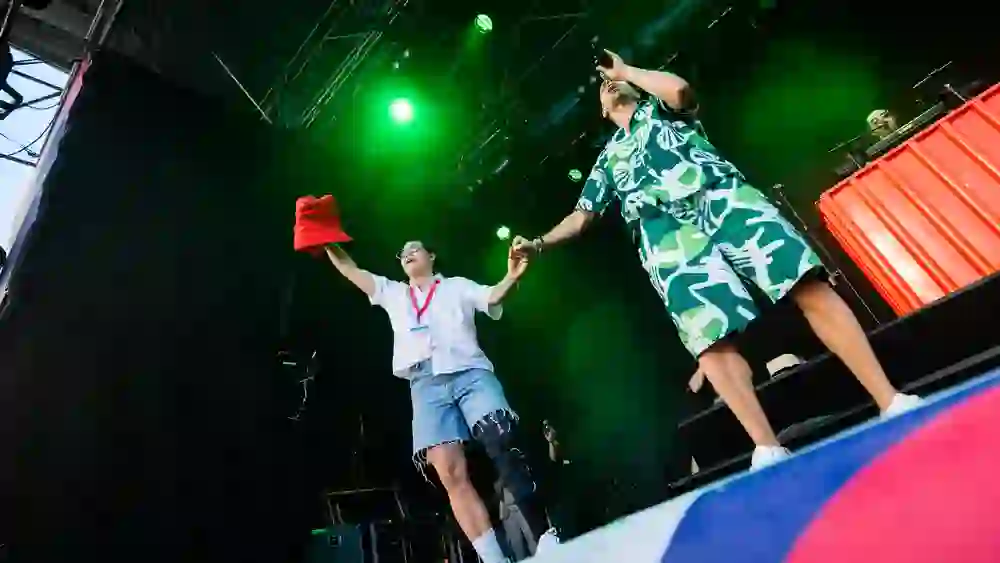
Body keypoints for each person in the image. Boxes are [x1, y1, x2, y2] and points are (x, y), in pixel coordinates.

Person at [510, 50, 922, 469]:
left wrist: (627, 72)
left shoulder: (662, 109)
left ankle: (890, 399)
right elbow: (582, 217)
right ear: (601, 112)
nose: (610, 85)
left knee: (804, 282)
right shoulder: (608, 160)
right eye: (604, 87)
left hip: (722, 198)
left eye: (616, 82)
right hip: (666, 235)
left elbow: (679, 90)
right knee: (709, 341)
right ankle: (767, 447)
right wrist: (538, 244)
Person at [323, 240, 558, 563]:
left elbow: (492, 296)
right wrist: (325, 239)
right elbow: (351, 269)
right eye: (401, 252)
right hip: (424, 385)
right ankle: (493, 559)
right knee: (449, 472)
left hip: (470, 374)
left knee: (501, 438)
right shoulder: (392, 292)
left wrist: (513, 276)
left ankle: (546, 534)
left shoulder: (457, 287)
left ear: (432, 256)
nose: (406, 253)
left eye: (414, 248)